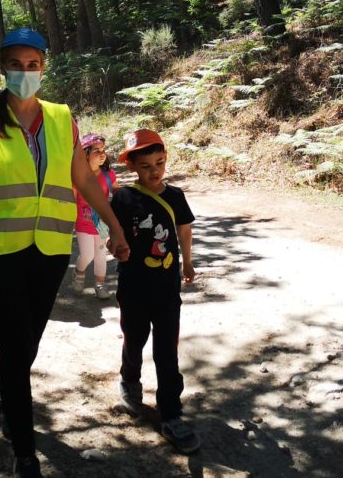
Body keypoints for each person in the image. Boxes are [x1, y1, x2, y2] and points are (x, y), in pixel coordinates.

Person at [0, 28, 130, 477]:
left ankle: (8, 393)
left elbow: (83, 179)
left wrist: (114, 227)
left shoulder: (61, 118)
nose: (25, 72)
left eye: (33, 65)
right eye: (16, 65)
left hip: (49, 251)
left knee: (29, 340)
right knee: (12, 343)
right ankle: (24, 449)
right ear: (2, 69)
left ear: (43, 67)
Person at [110, 128, 200, 454]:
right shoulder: (123, 198)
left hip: (166, 289)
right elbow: (114, 237)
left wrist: (187, 263)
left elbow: (184, 231)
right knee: (134, 339)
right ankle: (129, 380)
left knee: (167, 350)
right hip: (133, 288)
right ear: (132, 165)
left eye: (159, 163)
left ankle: (171, 413)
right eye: (146, 166)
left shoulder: (175, 195)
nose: (155, 171)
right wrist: (116, 247)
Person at [72, 133, 117, 300]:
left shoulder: (109, 175)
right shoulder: (77, 176)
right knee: (87, 255)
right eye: (97, 150)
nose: (102, 154)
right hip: (83, 222)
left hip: (102, 223)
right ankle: (79, 273)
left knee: (100, 255)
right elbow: (72, 199)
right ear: (85, 154)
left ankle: (100, 285)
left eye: (103, 150)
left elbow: (117, 193)